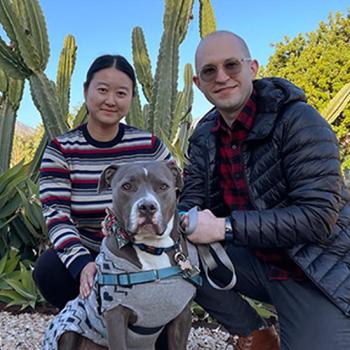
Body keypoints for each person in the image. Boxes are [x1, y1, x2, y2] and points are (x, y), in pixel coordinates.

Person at [178, 30, 350, 350]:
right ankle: (257, 335)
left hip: (314, 269)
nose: (222, 77)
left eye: (232, 65)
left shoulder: (298, 120)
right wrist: (154, 221)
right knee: (176, 257)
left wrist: (223, 227)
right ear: (198, 84)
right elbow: (192, 199)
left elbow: (318, 217)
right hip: (257, 260)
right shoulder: (204, 135)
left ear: (253, 68)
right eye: (209, 71)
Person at [34, 54, 171, 310]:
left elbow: (177, 196)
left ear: (131, 98)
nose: (110, 100)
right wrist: (82, 263)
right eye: (102, 90)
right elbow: (57, 216)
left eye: (121, 93)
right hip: (91, 250)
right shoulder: (61, 151)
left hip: (146, 250)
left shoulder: (150, 146)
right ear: (86, 91)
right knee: (49, 268)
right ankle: (88, 323)